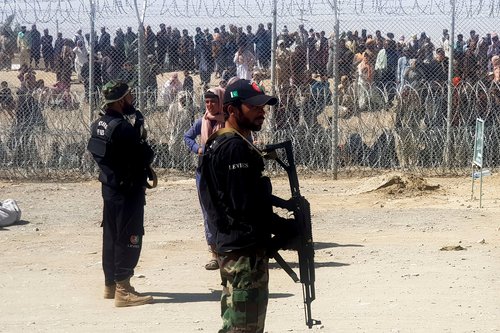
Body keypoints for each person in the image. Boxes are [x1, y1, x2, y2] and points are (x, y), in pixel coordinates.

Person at [200, 79, 297, 332]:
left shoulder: (230, 143)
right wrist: (284, 228)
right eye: (253, 106)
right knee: (244, 327)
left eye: (262, 106)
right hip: (242, 253)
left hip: (238, 249)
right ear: (232, 110)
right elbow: (245, 207)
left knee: (237, 323)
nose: (261, 111)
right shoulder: (234, 149)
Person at [86, 81, 155, 308]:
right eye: (129, 96)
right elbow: (144, 156)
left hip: (110, 188)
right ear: (120, 101)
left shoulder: (99, 124)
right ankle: (124, 290)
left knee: (111, 236)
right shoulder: (123, 128)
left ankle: (111, 285)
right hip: (128, 191)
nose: (132, 99)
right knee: (129, 237)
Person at [183, 88, 225, 270]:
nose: (210, 105)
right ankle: (214, 253)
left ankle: (228, 251)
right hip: (204, 172)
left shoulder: (229, 122)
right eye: (207, 101)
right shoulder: (203, 121)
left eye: (214, 101)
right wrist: (197, 148)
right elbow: (187, 136)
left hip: (224, 173)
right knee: (208, 212)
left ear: (221, 101)